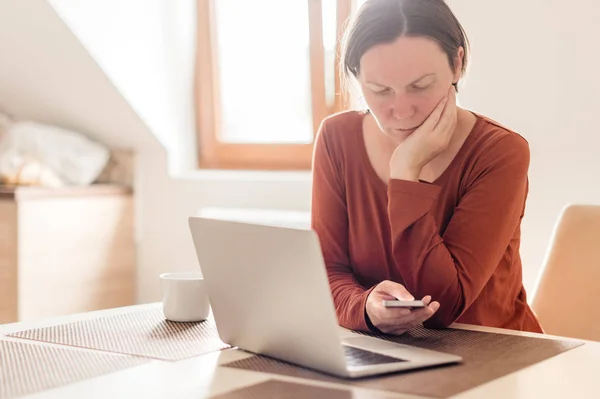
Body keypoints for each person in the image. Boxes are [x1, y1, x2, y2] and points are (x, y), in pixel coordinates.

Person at [311, 0, 543, 335]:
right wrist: (366, 306)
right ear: (357, 78)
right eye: (380, 91)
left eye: (420, 86)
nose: (401, 111)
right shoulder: (337, 139)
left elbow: (445, 305)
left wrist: (406, 173)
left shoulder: (499, 151)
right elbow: (326, 271)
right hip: (385, 356)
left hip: (493, 357)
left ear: (457, 64)